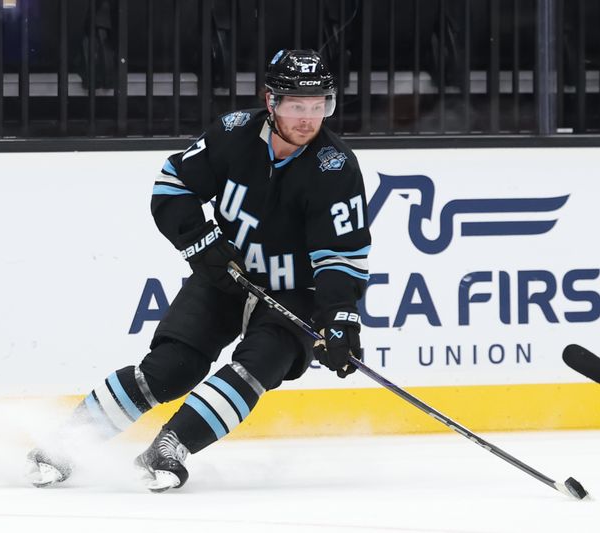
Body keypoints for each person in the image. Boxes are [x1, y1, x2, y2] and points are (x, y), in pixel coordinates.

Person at [26, 49, 371, 492]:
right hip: (227, 275)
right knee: (169, 369)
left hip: (293, 292)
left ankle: (171, 446)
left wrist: (340, 318)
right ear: (271, 101)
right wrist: (201, 243)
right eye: (296, 105)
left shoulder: (335, 167)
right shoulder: (233, 134)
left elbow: (341, 254)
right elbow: (173, 186)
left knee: (256, 367)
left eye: (319, 104)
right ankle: (65, 443)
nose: (309, 118)